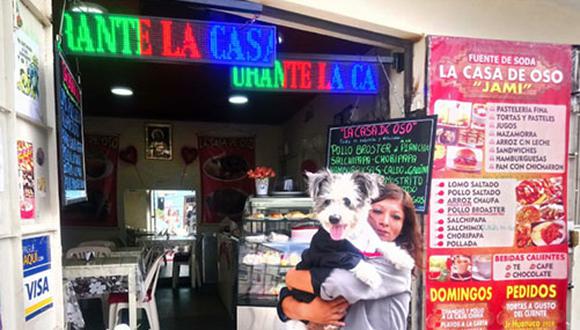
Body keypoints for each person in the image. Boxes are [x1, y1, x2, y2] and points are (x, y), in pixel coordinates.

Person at [278, 182, 423, 329]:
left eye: (396, 217)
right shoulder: (346, 247)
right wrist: (307, 311)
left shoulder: (397, 264)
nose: (384, 222)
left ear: (404, 226)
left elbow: (336, 283)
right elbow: (284, 303)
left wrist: (292, 277)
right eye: (377, 211)